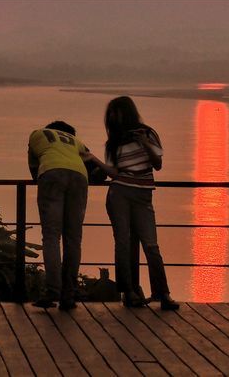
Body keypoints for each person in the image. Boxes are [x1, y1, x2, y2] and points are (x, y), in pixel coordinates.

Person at [87, 96, 179, 310]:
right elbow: (113, 173)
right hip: (119, 193)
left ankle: (163, 294)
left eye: (115, 112)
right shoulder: (113, 143)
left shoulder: (148, 133)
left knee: (151, 245)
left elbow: (158, 165)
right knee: (123, 243)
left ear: (126, 112)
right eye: (110, 114)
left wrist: (144, 143)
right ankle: (128, 292)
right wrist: (94, 159)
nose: (111, 117)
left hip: (143, 196)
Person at [28, 120, 91, 310]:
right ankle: (69, 295)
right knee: (73, 239)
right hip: (80, 177)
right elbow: (90, 161)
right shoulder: (76, 141)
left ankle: (52, 290)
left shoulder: (37, 134)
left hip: (52, 173)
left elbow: (33, 167)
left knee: (51, 236)